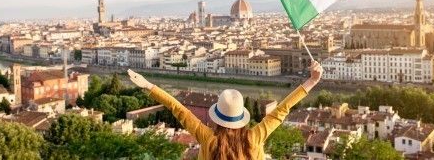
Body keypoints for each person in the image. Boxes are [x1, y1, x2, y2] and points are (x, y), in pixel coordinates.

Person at [128, 61, 323, 160]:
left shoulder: (208, 138)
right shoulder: (254, 138)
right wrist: (312, 81)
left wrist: (149, 86)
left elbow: (179, 110)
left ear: (216, 117)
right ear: (241, 118)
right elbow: (282, 110)